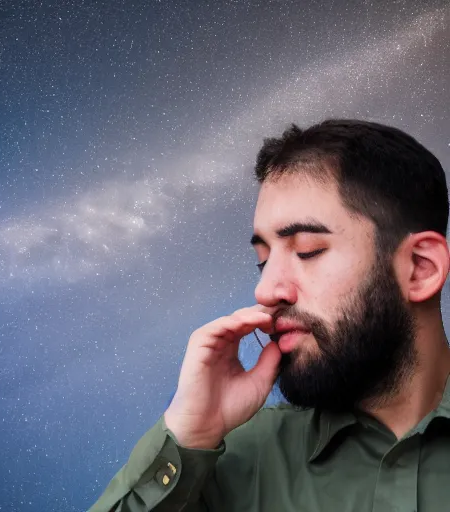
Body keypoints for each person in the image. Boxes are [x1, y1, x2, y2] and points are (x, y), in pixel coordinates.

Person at [89, 119, 450, 512]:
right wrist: (189, 435)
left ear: (420, 268)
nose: (266, 291)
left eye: (308, 249)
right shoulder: (228, 458)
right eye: (264, 261)